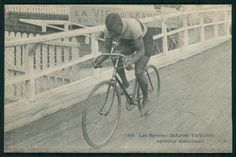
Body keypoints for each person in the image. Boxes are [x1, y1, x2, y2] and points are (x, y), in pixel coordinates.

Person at [93, 13, 155, 116]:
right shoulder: (110, 30)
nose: (113, 35)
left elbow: (141, 51)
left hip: (144, 40)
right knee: (114, 55)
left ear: (121, 25)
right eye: (111, 32)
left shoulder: (133, 27)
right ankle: (125, 83)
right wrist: (100, 59)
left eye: (115, 32)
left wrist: (132, 61)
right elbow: (107, 49)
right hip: (128, 41)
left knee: (139, 72)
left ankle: (146, 99)